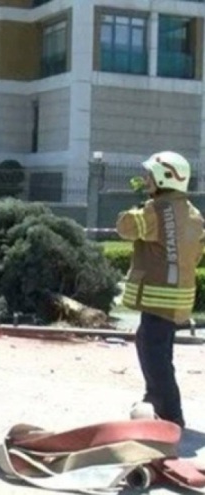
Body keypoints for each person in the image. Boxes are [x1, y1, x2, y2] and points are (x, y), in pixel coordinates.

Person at [116, 151, 204, 428]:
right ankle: (154, 401)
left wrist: (135, 210)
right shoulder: (192, 212)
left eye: (150, 175)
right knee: (159, 352)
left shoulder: (157, 210)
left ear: (165, 177)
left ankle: (170, 416)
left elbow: (126, 228)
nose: (145, 180)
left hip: (158, 297)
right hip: (178, 299)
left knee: (154, 356)